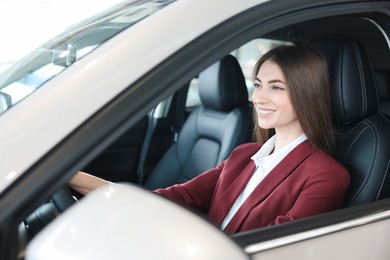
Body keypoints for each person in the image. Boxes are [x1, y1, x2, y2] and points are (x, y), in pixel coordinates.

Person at [69, 45, 350, 234]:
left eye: (276, 87)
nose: (258, 98)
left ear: (306, 94)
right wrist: (73, 178)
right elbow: (179, 196)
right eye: (258, 85)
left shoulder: (326, 175)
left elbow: (278, 246)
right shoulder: (243, 155)